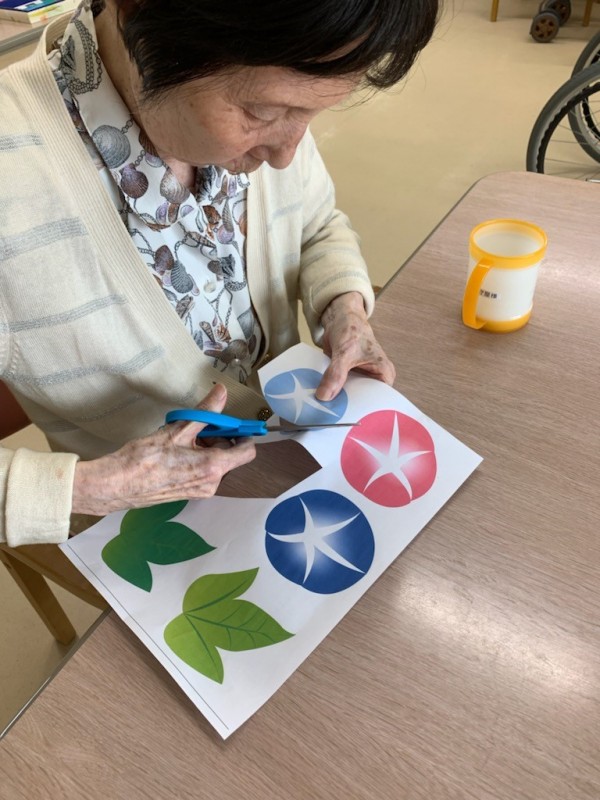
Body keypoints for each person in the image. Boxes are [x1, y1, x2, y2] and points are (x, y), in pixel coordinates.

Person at [0, 0, 439, 547]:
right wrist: (95, 488)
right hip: (146, 535)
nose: (287, 153)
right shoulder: (13, 183)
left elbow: (316, 223)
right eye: (262, 111)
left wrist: (343, 306)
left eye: (312, 115)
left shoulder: (274, 96)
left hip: (292, 464)